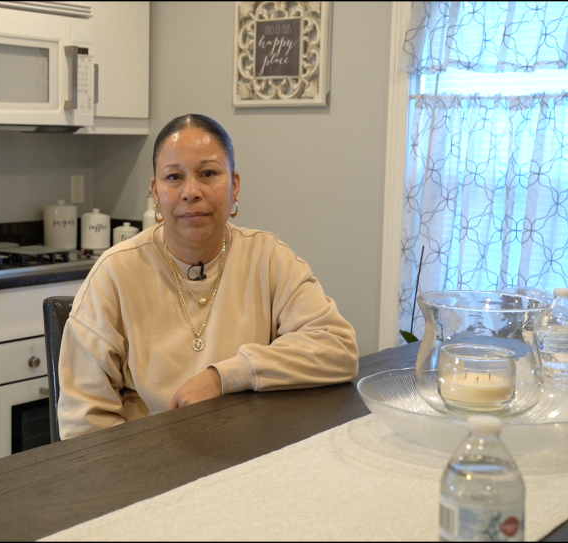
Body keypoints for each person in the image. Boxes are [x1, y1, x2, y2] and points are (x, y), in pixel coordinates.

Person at [57, 113, 359, 439]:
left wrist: (224, 376)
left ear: (235, 185)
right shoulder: (114, 274)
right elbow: (83, 423)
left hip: (248, 456)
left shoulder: (268, 258)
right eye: (173, 177)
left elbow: (338, 349)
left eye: (208, 173)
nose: (191, 191)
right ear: (155, 192)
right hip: (148, 465)